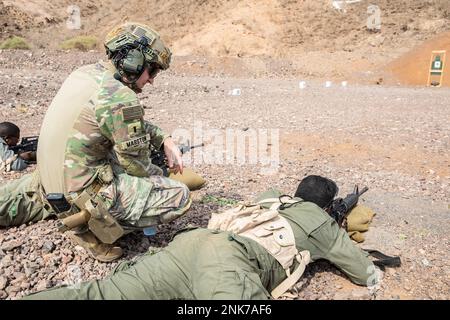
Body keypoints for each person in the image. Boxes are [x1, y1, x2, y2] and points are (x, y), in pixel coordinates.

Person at [0, 22, 202, 262]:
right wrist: (162, 175)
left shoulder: (85, 74)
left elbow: (115, 121)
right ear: (133, 61)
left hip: (47, 181)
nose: (151, 81)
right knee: (179, 196)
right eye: (153, 71)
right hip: (78, 196)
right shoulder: (121, 97)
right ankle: (90, 227)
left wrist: (164, 139)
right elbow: (137, 168)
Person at [24, 175, 380, 300]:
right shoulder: (319, 222)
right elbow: (364, 272)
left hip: (190, 245)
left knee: (97, 294)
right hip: (229, 263)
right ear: (323, 206)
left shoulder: (271, 196)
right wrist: (333, 227)